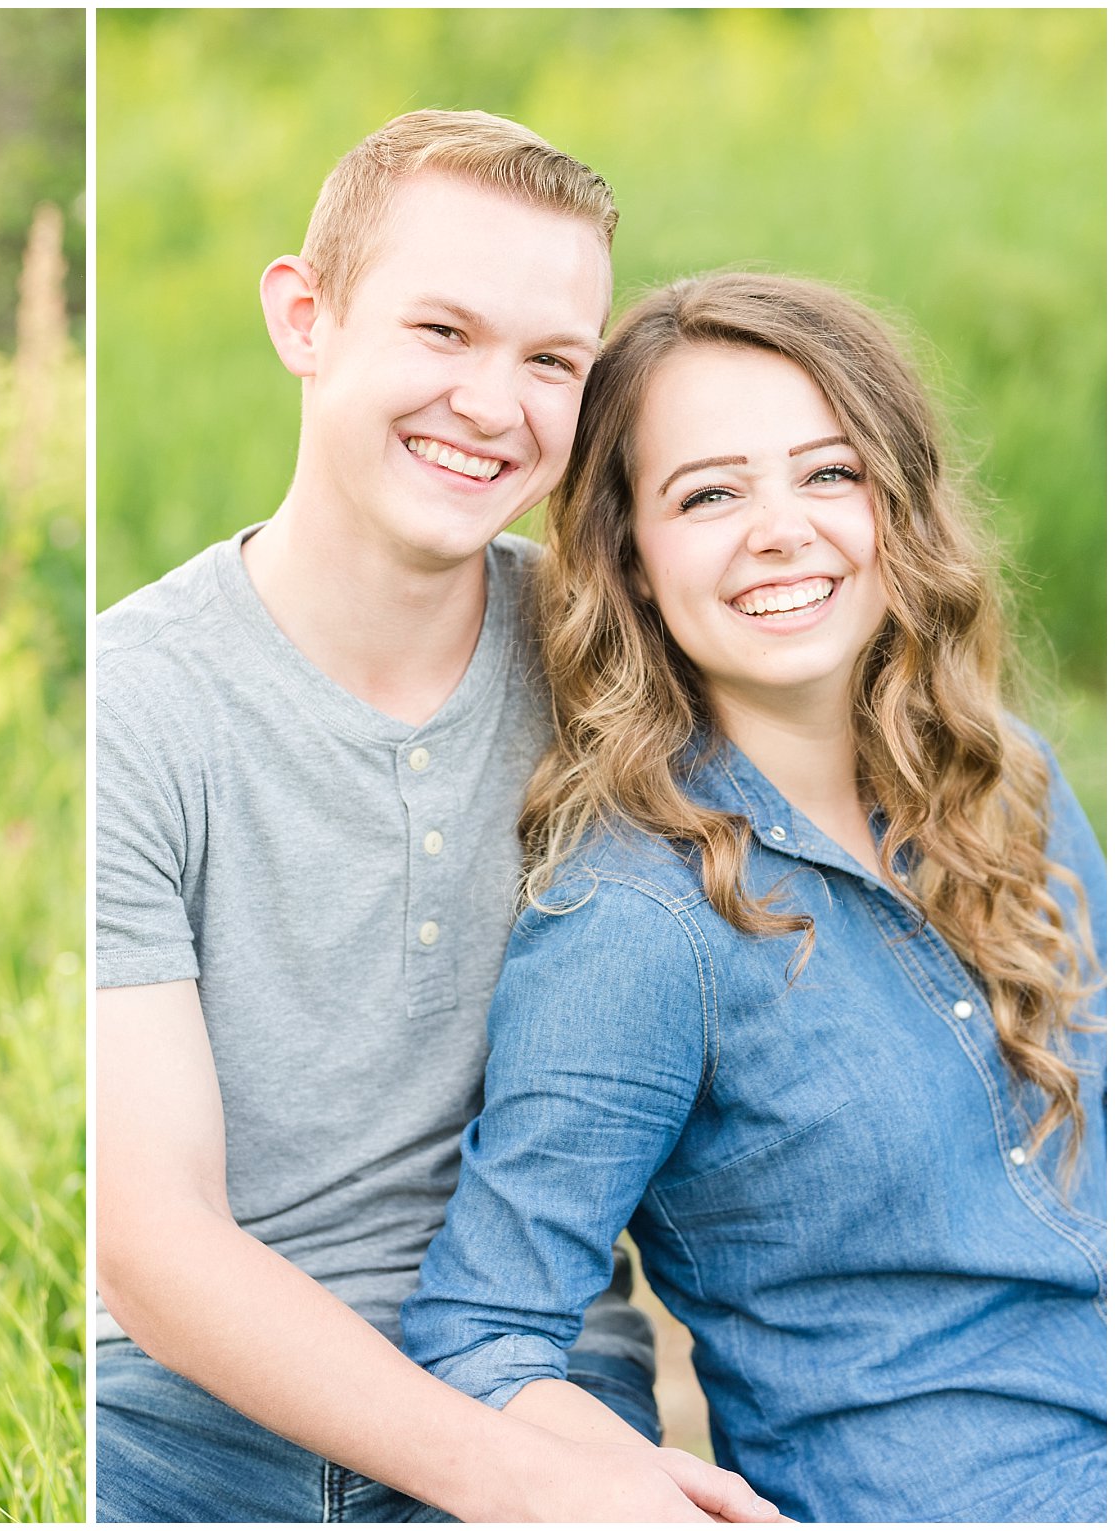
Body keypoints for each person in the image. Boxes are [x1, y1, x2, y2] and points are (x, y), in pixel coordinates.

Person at [96, 110, 778, 1521]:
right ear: (306, 315)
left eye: (550, 361)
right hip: (195, 1418)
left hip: (547, 1375)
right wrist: (509, 1484)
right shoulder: (137, 701)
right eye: (442, 333)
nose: (491, 403)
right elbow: (153, 1238)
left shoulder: (620, 668)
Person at [401, 272, 1107, 1522]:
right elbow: (479, 1331)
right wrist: (651, 1497)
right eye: (709, 494)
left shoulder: (1010, 785)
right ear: (630, 558)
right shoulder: (639, 917)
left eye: (827, 474)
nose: (779, 528)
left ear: (897, 502)